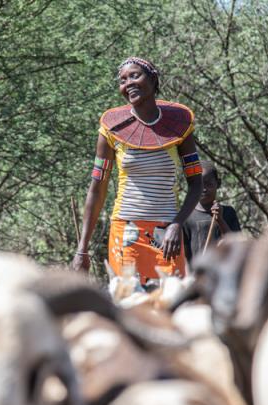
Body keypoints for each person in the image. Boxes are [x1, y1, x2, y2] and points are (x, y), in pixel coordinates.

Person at [72, 57, 202, 284]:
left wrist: (177, 224)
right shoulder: (112, 129)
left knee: (169, 302)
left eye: (135, 76)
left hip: (166, 234)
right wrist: (82, 249)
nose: (128, 83)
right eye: (122, 80)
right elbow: (97, 189)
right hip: (126, 231)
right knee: (129, 302)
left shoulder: (179, 126)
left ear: (153, 79)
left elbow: (197, 183)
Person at [182, 161, 241, 267]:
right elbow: (184, 256)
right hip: (198, 278)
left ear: (218, 184)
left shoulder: (228, 212)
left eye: (209, 184)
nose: (204, 189)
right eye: (199, 185)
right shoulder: (187, 217)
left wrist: (220, 220)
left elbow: (236, 245)